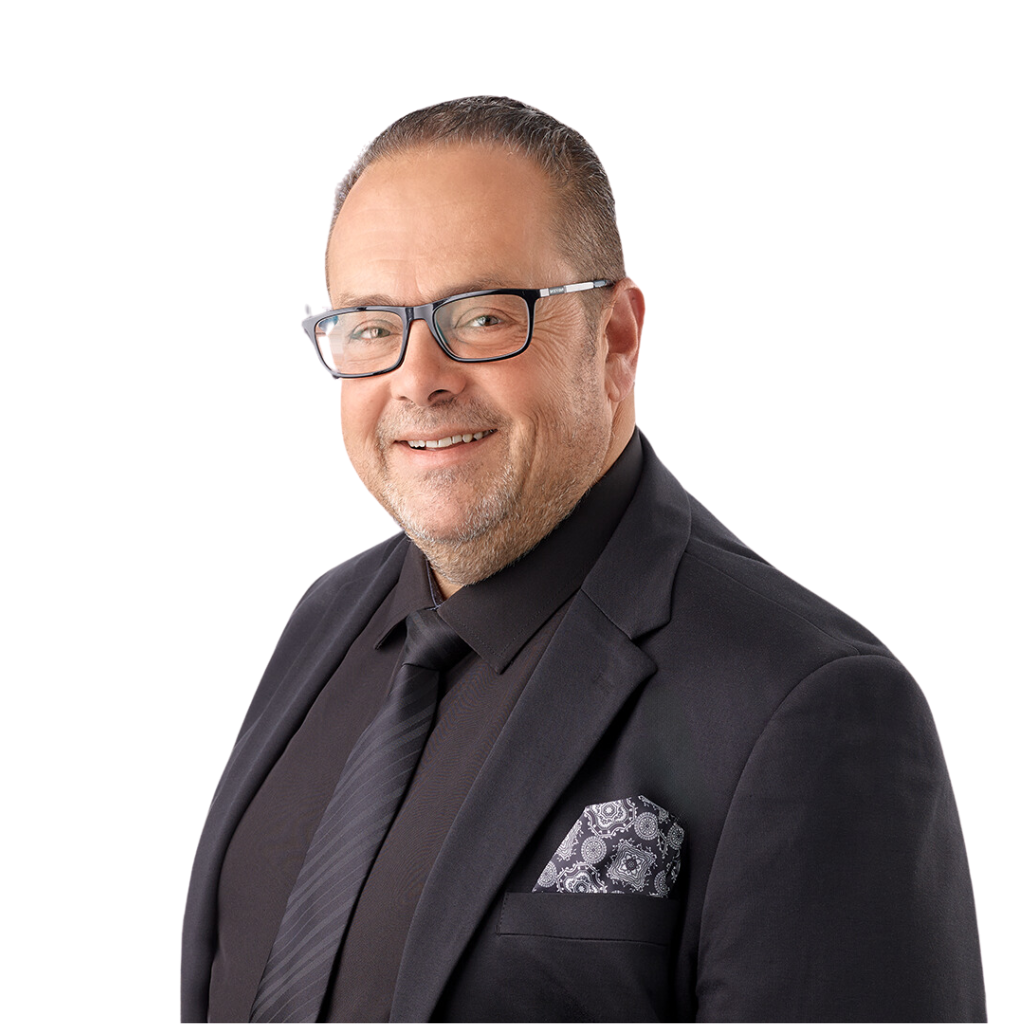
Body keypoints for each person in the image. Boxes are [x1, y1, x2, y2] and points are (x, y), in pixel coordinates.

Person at [181, 95, 986, 1023]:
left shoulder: (811, 703)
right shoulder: (323, 619)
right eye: (369, 326)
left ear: (616, 338)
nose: (417, 379)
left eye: (483, 317)